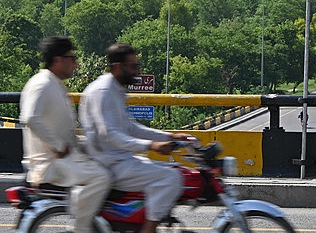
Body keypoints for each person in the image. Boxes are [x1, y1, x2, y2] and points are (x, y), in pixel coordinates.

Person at [79, 44, 191, 233]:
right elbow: (110, 135)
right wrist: (152, 145)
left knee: (176, 170)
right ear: (117, 66)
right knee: (171, 178)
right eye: (132, 66)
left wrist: (169, 136)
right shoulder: (103, 91)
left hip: (121, 158)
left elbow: (130, 127)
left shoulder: (115, 89)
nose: (137, 71)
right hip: (110, 163)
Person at [20, 37, 111, 233]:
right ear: (58, 59)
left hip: (64, 158)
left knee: (107, 163)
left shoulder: (55, 84)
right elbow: (30, 118)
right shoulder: (42, 84)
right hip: (51, 163)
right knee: (101, 177)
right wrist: (58, 146)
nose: (75, 63)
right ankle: (82, 228)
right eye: (72, 58)